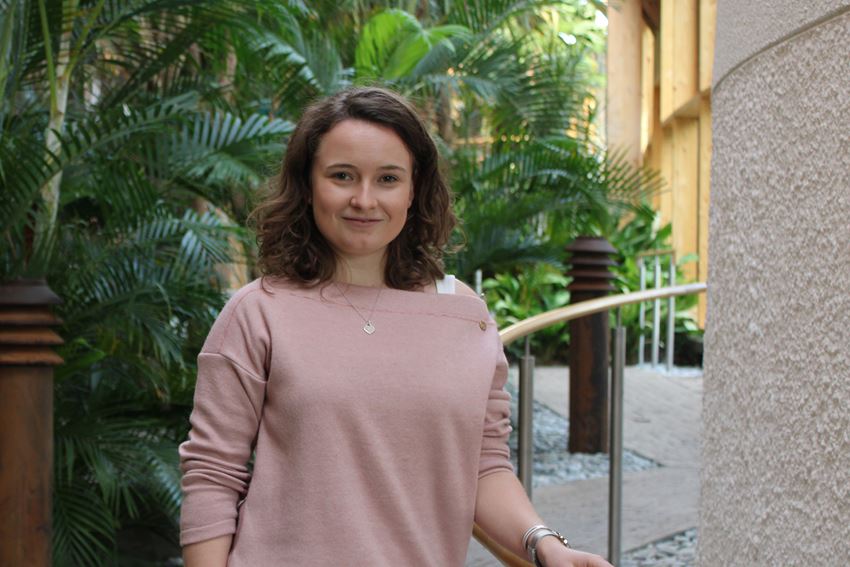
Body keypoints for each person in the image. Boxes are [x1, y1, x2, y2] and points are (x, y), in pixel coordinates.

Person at [179, 86, 613, 567]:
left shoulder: (464, 315)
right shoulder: (258, 311)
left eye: (388, 178)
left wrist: (544, 544)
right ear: (307, 184)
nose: (364, 200)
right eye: (342, 176)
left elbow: (484, 467)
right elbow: (212, 475)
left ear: (414, 190)